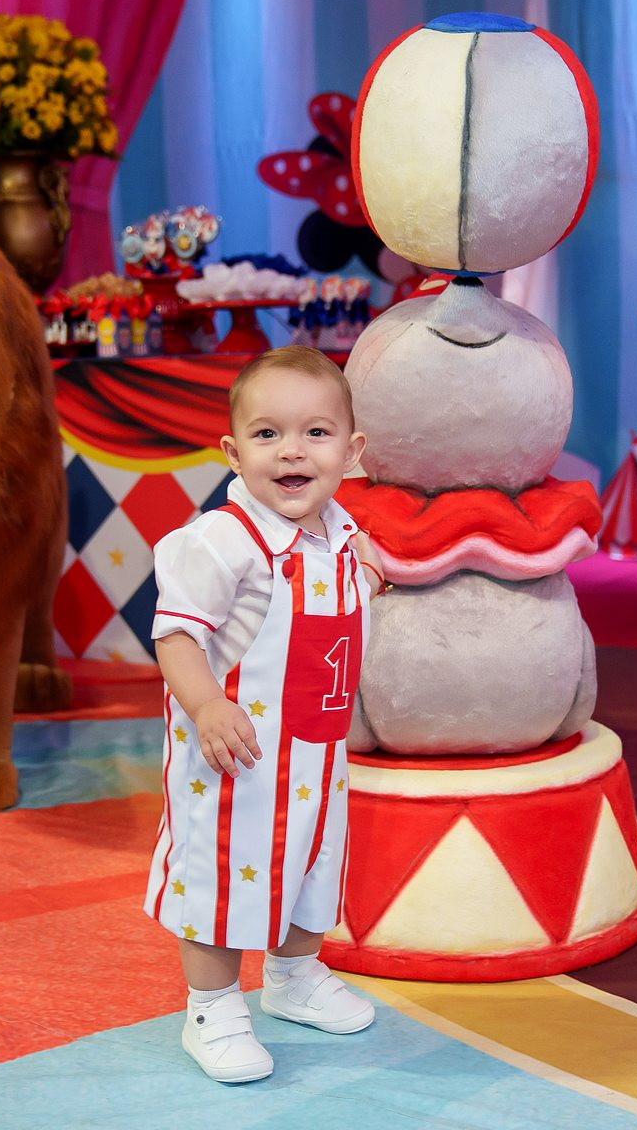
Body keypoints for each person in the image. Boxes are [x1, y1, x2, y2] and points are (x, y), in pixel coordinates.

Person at [143, 344, 389, 1083]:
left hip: (316, 753)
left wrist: (369, 569)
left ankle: (293, 976)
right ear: (233, 451)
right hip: (237, 759)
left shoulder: (340, 532)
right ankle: (212, 1007)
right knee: (222, 882)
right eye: (267, 433)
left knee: (313, 867)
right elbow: (177, 633)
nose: (291, 450)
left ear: (351, 453)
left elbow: (351, 584)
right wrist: (205, 703)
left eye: (316, 433)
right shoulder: (225, 541)